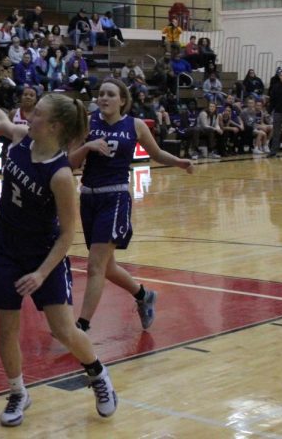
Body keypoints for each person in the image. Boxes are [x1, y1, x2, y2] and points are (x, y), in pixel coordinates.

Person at [0, 93, 118, 426]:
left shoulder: (59, 175)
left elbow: (68, 235)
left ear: (54, 125)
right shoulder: (19, 138)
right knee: (7, 329)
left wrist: (42, 274)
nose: (30, 114)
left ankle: (98, 374)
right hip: (1, 246)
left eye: (37, 113)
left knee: (63, 330)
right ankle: (18, 393)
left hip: (43, 254)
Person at [68, 78, 193, 334]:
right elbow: (70, 162)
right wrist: (88, 146)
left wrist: (179, 162)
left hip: (115, 198)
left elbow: (156, 154)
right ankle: (144, 295)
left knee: (95, 265)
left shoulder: (134, 125)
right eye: (101, 93)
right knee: (107, 265)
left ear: (122, 100)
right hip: (88, 196)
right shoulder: (88, 123)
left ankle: (82, 326)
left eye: (110, 94)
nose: (104, 98)